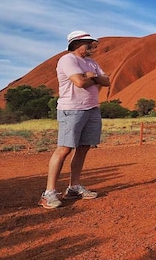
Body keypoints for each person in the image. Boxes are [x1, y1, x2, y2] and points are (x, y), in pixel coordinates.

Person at [39, 30, 110, 209]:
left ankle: (74, 187)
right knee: (64, 149)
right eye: (88, 44)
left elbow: (107, 81)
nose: (92, 47)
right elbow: (79, 82)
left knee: (83, 148)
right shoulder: (68, 60)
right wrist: (93, 78)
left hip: (92, 109)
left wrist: (92, 77)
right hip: (71, 110)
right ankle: (49, 193)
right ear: (77, 44)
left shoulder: (91, 63)